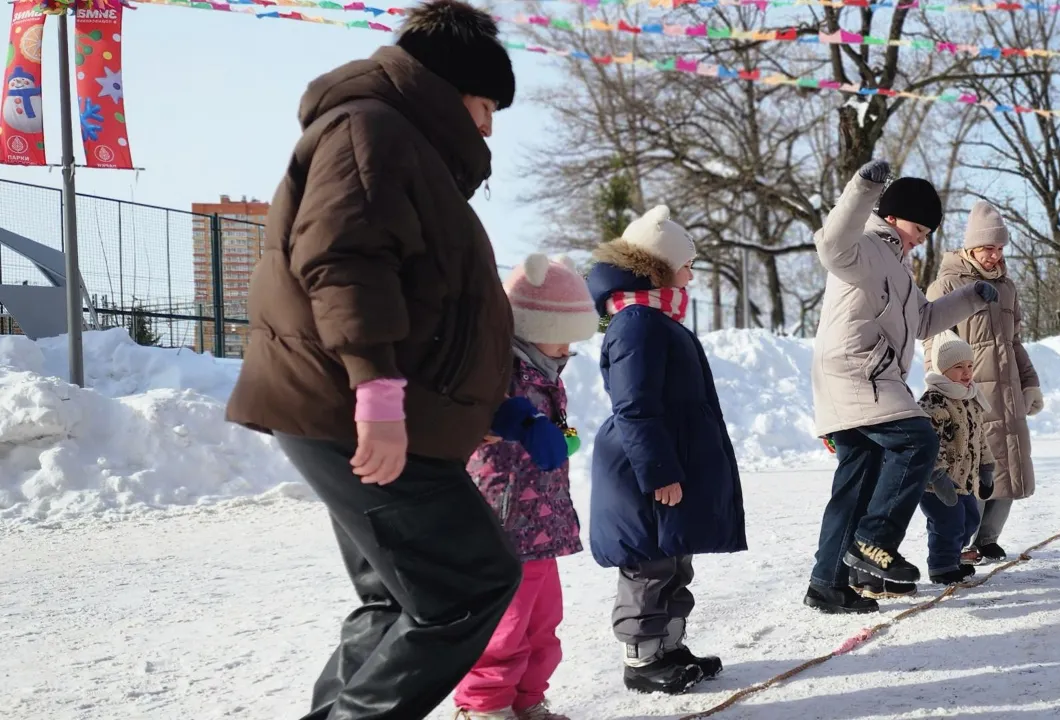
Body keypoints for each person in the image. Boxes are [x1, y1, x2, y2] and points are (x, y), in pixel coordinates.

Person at [225, 3, 556, 718]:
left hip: (359, 405)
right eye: (485, 106)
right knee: (468, 582)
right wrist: (374, 392)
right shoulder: (371, 131)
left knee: (395, 599)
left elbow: (429, 301)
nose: (488, 128)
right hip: (345, 403)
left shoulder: (398, 143)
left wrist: (480, 401)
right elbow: (345, 262)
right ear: (450, 89)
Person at [805, 159, 999, 614]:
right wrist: (863, 187)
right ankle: (874, 541)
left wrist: (971, 297)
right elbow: (830, 243)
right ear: (892, 217)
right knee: (917, 439)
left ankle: (827, 583)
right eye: (918, 228)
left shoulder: (898, 269)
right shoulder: (864, 247)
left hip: (869, 378)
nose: (921, 239)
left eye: (927, 233)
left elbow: (925, 321)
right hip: (856, 373)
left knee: (857, 481)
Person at [586, 205, 747, 695]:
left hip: (668, 458)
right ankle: (641, 659)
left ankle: (670, 648)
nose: (692, 275)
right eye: (687, 265)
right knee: (648, 564)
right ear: (659, 266)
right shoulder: (637, 322)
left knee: (675, 558)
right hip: (643, 466)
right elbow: (635, 404)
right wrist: (658, 470)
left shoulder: (655, 318)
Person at [453, 254, 599, 720]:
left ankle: (527, 700)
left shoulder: (545, 370)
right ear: (533, 324)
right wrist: (509, 420)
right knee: (504, 623)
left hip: (542, 523)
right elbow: (471, 409)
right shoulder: (495, 366)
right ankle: (485, 707)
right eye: (564, 336)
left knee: (543, 623)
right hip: (504, 521)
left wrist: (562, 435)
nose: (568, 349)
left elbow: (551, 426)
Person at [923, 200, 1041, 566]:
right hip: (967, 394)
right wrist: (943, 391)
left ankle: (989, 539)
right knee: (968, 470)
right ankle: (959, 544)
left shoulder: (1007, 288)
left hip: (1007, 394)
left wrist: (1030, 383)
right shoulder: (947, 285)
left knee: (1007, 468)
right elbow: (934, 344)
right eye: (988, 248)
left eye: (1000, 248)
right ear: (972, 247)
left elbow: (1014, 342)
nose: (995, 256)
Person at [917, 331, 996, 585]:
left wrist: (986, 467)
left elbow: (980, 437)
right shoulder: (934, 401)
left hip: (964, 481)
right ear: (942, 370)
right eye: (959, 367)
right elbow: (927, 442)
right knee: (947, 523)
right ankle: (942, 566)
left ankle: (953, 557)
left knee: (970, 521)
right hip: (937, 483)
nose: (967, 372)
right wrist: (937, 474)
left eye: (970, 366)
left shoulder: (970, 398)